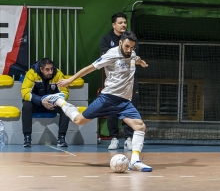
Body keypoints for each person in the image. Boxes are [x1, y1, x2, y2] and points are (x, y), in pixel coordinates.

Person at [43, 31, 152, 172]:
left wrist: (140, 61)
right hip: (108, 98)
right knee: (79, 120)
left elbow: (134, 58)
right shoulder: (111, 55)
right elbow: (89, 68)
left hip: (124, 102)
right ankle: (59, 101)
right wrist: (70, 80)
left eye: (132, 47)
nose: (129, 50)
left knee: (140, 127)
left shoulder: (131, 53)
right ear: (120, 43)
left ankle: (135, 161)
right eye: (127, 46)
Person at [100, 12, 139, 150]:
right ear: (113, 25)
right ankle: (114, 138)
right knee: (112, 108)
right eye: (120, 23)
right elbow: (105, 57)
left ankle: (129, 138)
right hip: (113, 82)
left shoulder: (130, 38)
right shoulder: (106, 39)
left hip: (129, 81)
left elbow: (134, 56)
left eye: (125, 22)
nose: (123, 25)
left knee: (130, 107)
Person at [21, 58, 70, 147]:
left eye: (51, 69)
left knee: (65, 107)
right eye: (47, 70)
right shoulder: (31, 73)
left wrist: (55, 101)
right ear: (41, 69)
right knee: (26, 105)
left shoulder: (58, 74)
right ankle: (27, 138)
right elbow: (25, 92)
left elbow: (65, 93)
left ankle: (61, 138)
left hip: (52, 103)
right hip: (37, 103)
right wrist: (40, 101)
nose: (50, 72)